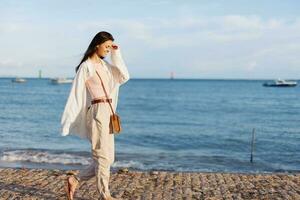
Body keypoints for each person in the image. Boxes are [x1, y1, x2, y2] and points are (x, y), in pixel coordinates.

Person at [60, 31, 130, 200]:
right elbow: (76, 93)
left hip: (109, 110)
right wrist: (69, 118)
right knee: (102, 156)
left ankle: (75, 179)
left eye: (110, 47)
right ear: (97, 44)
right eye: (106, 46)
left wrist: (116, 53)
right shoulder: (86, 66)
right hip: (98, 111)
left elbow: (124, 76)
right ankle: (104, 195)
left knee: (109, 158)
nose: (108, 49)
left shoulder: (106, 66)